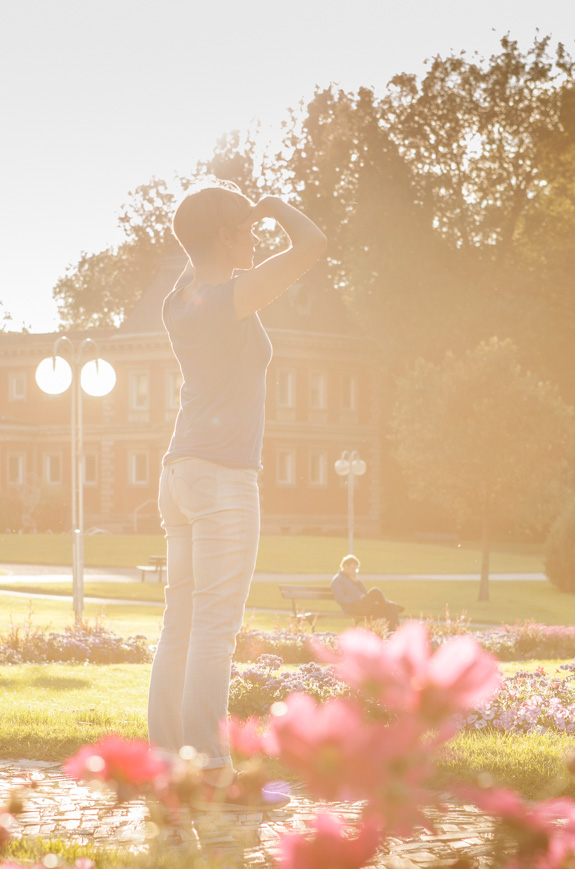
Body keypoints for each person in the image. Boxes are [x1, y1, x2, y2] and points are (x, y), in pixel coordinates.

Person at [147, 182, 326, 808]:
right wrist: (274, 208)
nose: (255, 237)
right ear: (226, 236)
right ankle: (213, 767)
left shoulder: (181, 300)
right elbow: (313, 245)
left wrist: (230, 222)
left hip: (180, 473)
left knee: (181, 626)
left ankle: (167, 761)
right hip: (223, 478)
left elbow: (202, 249)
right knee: (214, 630)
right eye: (246, 229)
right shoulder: (226, 299)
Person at [330, 555, 403, 631]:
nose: (354, 571)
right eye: (353, 568)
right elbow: (341, 599)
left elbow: (365, 593)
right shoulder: (338, 580)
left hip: (364, 606)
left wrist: (358, 582)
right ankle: (386, 605)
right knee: (375, 591)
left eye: (356, 569)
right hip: (353, 608)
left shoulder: (354, 578)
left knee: (392, 607)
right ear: (345, 566)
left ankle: (393, 633)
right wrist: (357, 599)